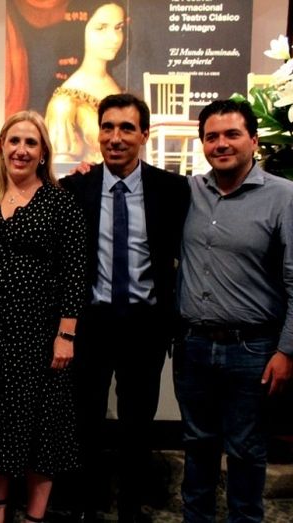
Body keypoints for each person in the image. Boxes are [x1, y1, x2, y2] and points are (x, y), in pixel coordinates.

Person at [59, 93, 190, 522]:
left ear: (144, 135)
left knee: (138, 424)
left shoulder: (172, 190)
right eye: (108, 127)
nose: (115, 138)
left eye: (127, 128)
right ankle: (88, 505)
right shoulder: (75, 188)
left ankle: (132, 507)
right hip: (91, 324)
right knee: (86, 421)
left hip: (144, 326)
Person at [175, 99, 293, 523]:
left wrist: (287, 351)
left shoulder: (284, 197)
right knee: (197, 447)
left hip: (253, 350)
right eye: (211, 137)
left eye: (232, 135)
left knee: (245, 451)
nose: (221, 144)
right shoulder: (188, 192)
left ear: (254, 141)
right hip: (193, 347)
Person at [0, 111, 87, 523]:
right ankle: (0, 507)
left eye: (31, 143)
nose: (21, 150)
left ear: (43, 153)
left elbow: (75, 272)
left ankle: (35, 516)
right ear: (2, 146)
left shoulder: (60, 202)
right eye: (14, 141)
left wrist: (66, 335)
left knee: (42, 427)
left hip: (40, 335)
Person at [45, 1, 127, 164]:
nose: (114, 38)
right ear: (79, 31)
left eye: (118, 28)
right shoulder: (64, 103)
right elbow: (60, 169)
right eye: (101, 28)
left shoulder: (118, 87)